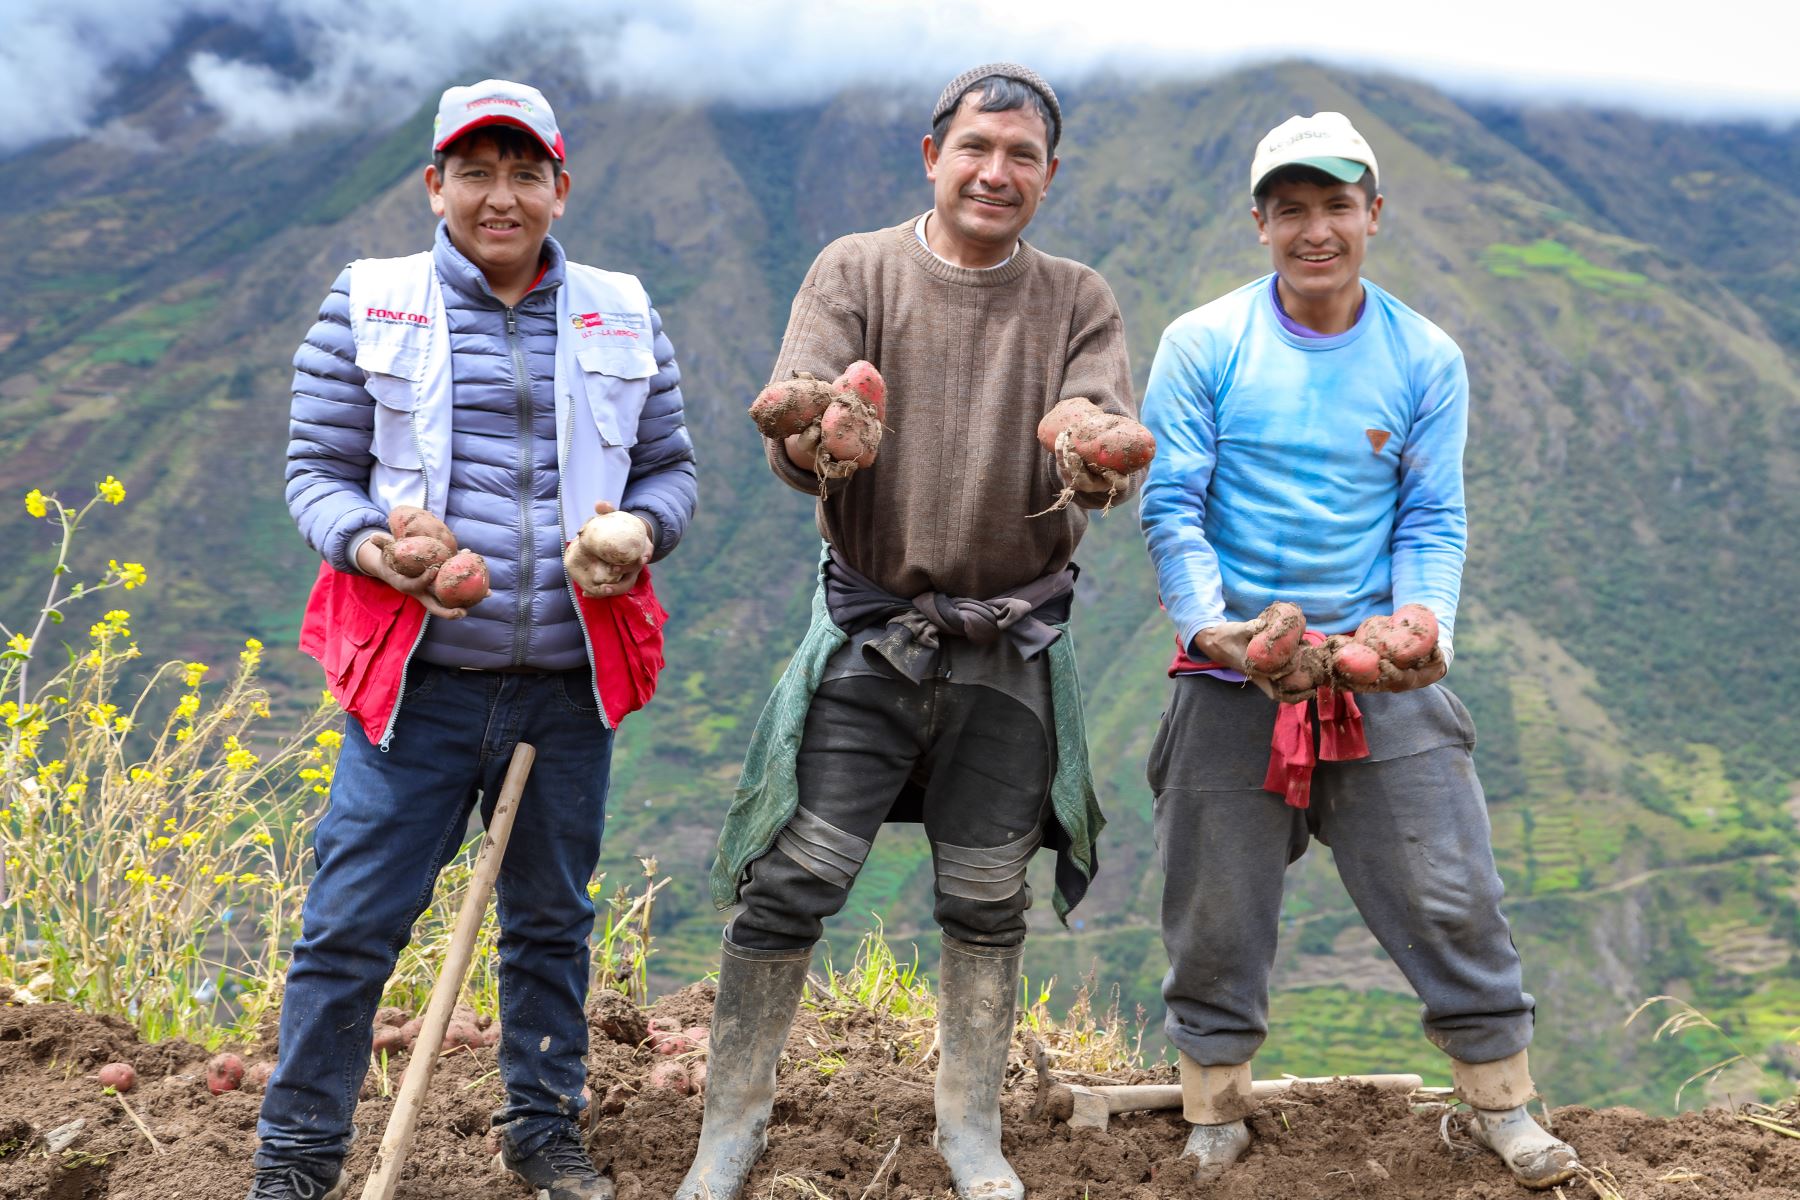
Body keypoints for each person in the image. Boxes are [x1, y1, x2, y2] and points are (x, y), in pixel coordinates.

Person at [678, 63, 1135, 1200]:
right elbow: (797, 417)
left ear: (1049, 175)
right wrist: (829, 435)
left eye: (1021, 156)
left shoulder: (1078, 299)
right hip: (875, 627)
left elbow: (1102, 435)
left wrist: (1088, 443)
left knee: (987, 894)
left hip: (1009, 644)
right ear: (931, 156)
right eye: (976, 148)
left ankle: (969, 1127)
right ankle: (729, 1126)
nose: (996, 172)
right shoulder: (857, 268)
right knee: (793, 880)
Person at [258, 79, 696, 1200]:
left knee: (550, 926)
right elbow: (315, 473)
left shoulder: (622, 309)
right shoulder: (370, 301)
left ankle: (541, 1133)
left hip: (567, 683)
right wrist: (373, 549)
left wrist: (639, 530)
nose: (499, 197)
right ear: (433, 187)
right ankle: (298, 1160)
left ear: (561, 186)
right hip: (420, 688)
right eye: (473, 172)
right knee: (351, 927)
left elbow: (671, 469)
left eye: (523, 173)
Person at [1138, 112, 1581, 1190]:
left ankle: (1501, 1103)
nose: (1316, 228)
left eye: (1337, 204)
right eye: (1291, 208)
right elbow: (1171, 508)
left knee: (1450, 890)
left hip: (1372, 669)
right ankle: (1215, 1109)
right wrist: (1217, 632)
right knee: (1216, 905)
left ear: (1373, 214)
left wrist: (1424, 628)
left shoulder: (1423, 355)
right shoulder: (1205, 344)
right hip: (1235, 667)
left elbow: (1433, 518)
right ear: (1260, 224)